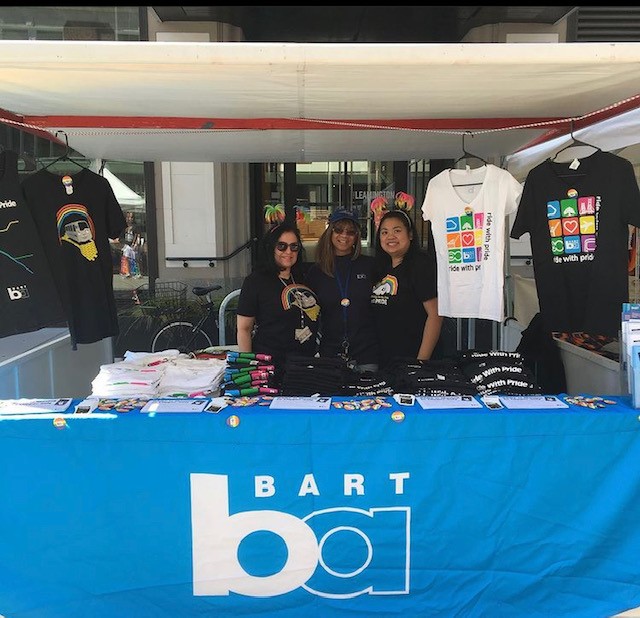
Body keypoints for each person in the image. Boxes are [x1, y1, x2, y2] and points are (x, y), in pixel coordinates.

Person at [236, 221, 320, 368]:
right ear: (271, 248)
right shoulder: (255, 281)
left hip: (304, 364)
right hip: (269, 364)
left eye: (294, 247)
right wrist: (248, 367)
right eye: (282, 246)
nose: (289, 252)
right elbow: (244, 329)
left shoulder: (303, 277)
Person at [305, 209, 379, 372]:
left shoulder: (370, 266)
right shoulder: (316, 272)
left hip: (367, 354)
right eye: (338, 230)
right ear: (330, 232)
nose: (344, 236)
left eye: (351, 232)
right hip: (329, 354)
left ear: (357, 236)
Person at [371, 209, 443, 366]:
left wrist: (420, 362)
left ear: (410, 235)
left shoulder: (420, 266)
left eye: (397, 230)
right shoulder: (380, 268)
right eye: (384, 232)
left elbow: (435, 315)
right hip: (384, 361)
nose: (390, 236)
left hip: (413, 361)